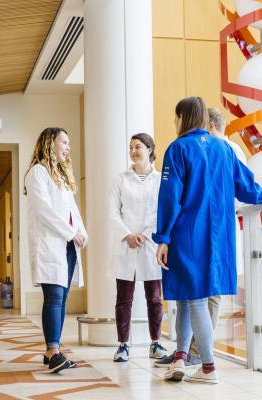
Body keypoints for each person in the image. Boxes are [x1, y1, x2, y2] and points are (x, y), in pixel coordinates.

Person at [153, 97, 262, 384]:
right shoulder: (224, 149)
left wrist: (163, 238)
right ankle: (181, 356)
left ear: (182, 118)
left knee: (194, 299)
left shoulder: (178, 148)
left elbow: (170, 197)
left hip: (188, 234)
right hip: (219, 236)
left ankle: (208, 368)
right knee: (186, 296)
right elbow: (247, 187)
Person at [25, 127, 89, 374]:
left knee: (61, 299)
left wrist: (81, 232)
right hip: (51, 244)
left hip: (67, 245)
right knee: (53, 298)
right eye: (65, 141)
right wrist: (70, 232)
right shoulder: (37, 173)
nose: (68, 147)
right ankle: (53, 352)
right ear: (50, 143)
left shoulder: (60, 176)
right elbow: (44, 211)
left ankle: (54, 350)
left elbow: (73, 210)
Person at [109, 133, 167, 362]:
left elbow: (161, 211)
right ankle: (123, 345)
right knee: (124, 298)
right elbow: (112, 211)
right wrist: (127, 235)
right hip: (126, 245)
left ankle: (156, 343)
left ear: (150, 149)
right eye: (131, 147)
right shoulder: (121, 179)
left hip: (150, 243)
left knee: (154, 297)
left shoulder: (160, 179)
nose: (134, 151)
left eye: (138, 147)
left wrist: (143, 235)